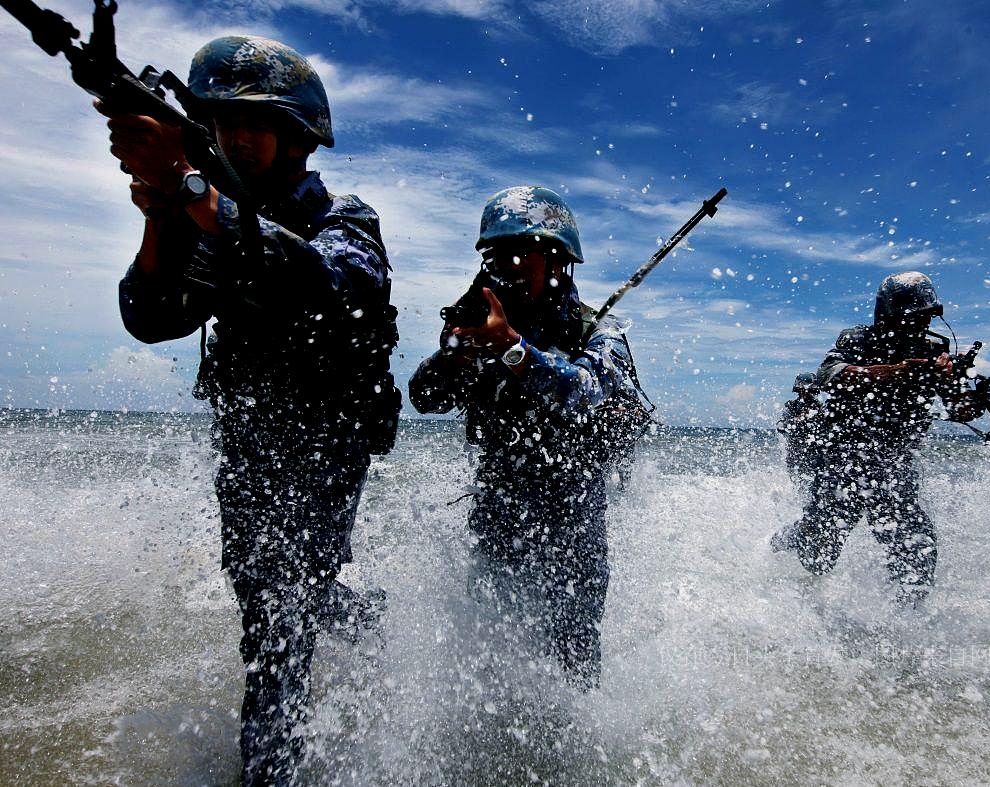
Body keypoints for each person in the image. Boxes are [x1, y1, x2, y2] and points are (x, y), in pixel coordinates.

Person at [104, 36, 399, 784]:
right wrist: (160, 211)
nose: (234, 137)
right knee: (267, 598)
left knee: (277, 627)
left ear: (298, 136)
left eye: (253, 123)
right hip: (248, 450)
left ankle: (271, 775)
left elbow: (332, 286)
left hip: (325, 448)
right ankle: (360, 616)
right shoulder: (213, 215)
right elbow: (152, 317)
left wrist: (191, 191)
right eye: (221, 122)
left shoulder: (344, 219)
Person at [409, 186, 639, 689]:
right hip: (498, 507)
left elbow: (584, 393)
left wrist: (513, 349)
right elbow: (424, 399)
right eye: (496, 256)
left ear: (557, 261)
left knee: (574, 664)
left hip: (573, 517)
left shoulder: (598, 330)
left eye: (520, 254)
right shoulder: (484, 320)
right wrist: (454, 355)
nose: (506, 267)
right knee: (490, 655)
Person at [771, 272, 975, 605]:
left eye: (927, 315)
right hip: (842, 464)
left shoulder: (934, 351)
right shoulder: (858, 340)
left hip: (896, 467)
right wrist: (898, 372)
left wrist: (958, 384)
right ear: (890, 313)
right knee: (817, 558)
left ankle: (908, 623)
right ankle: (792, 540)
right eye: (915, 316)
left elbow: (961, 409)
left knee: (917, 554)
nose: (922, 323)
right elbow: (831, 376)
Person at [779, 372, 822, 483]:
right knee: (795, 481)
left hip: (814, 451)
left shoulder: (819, 407)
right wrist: (795, 421)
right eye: (803, 389)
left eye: (809, 389)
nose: (806, 392)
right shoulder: (791, 406)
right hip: (795, 449)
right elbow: (781, 426)